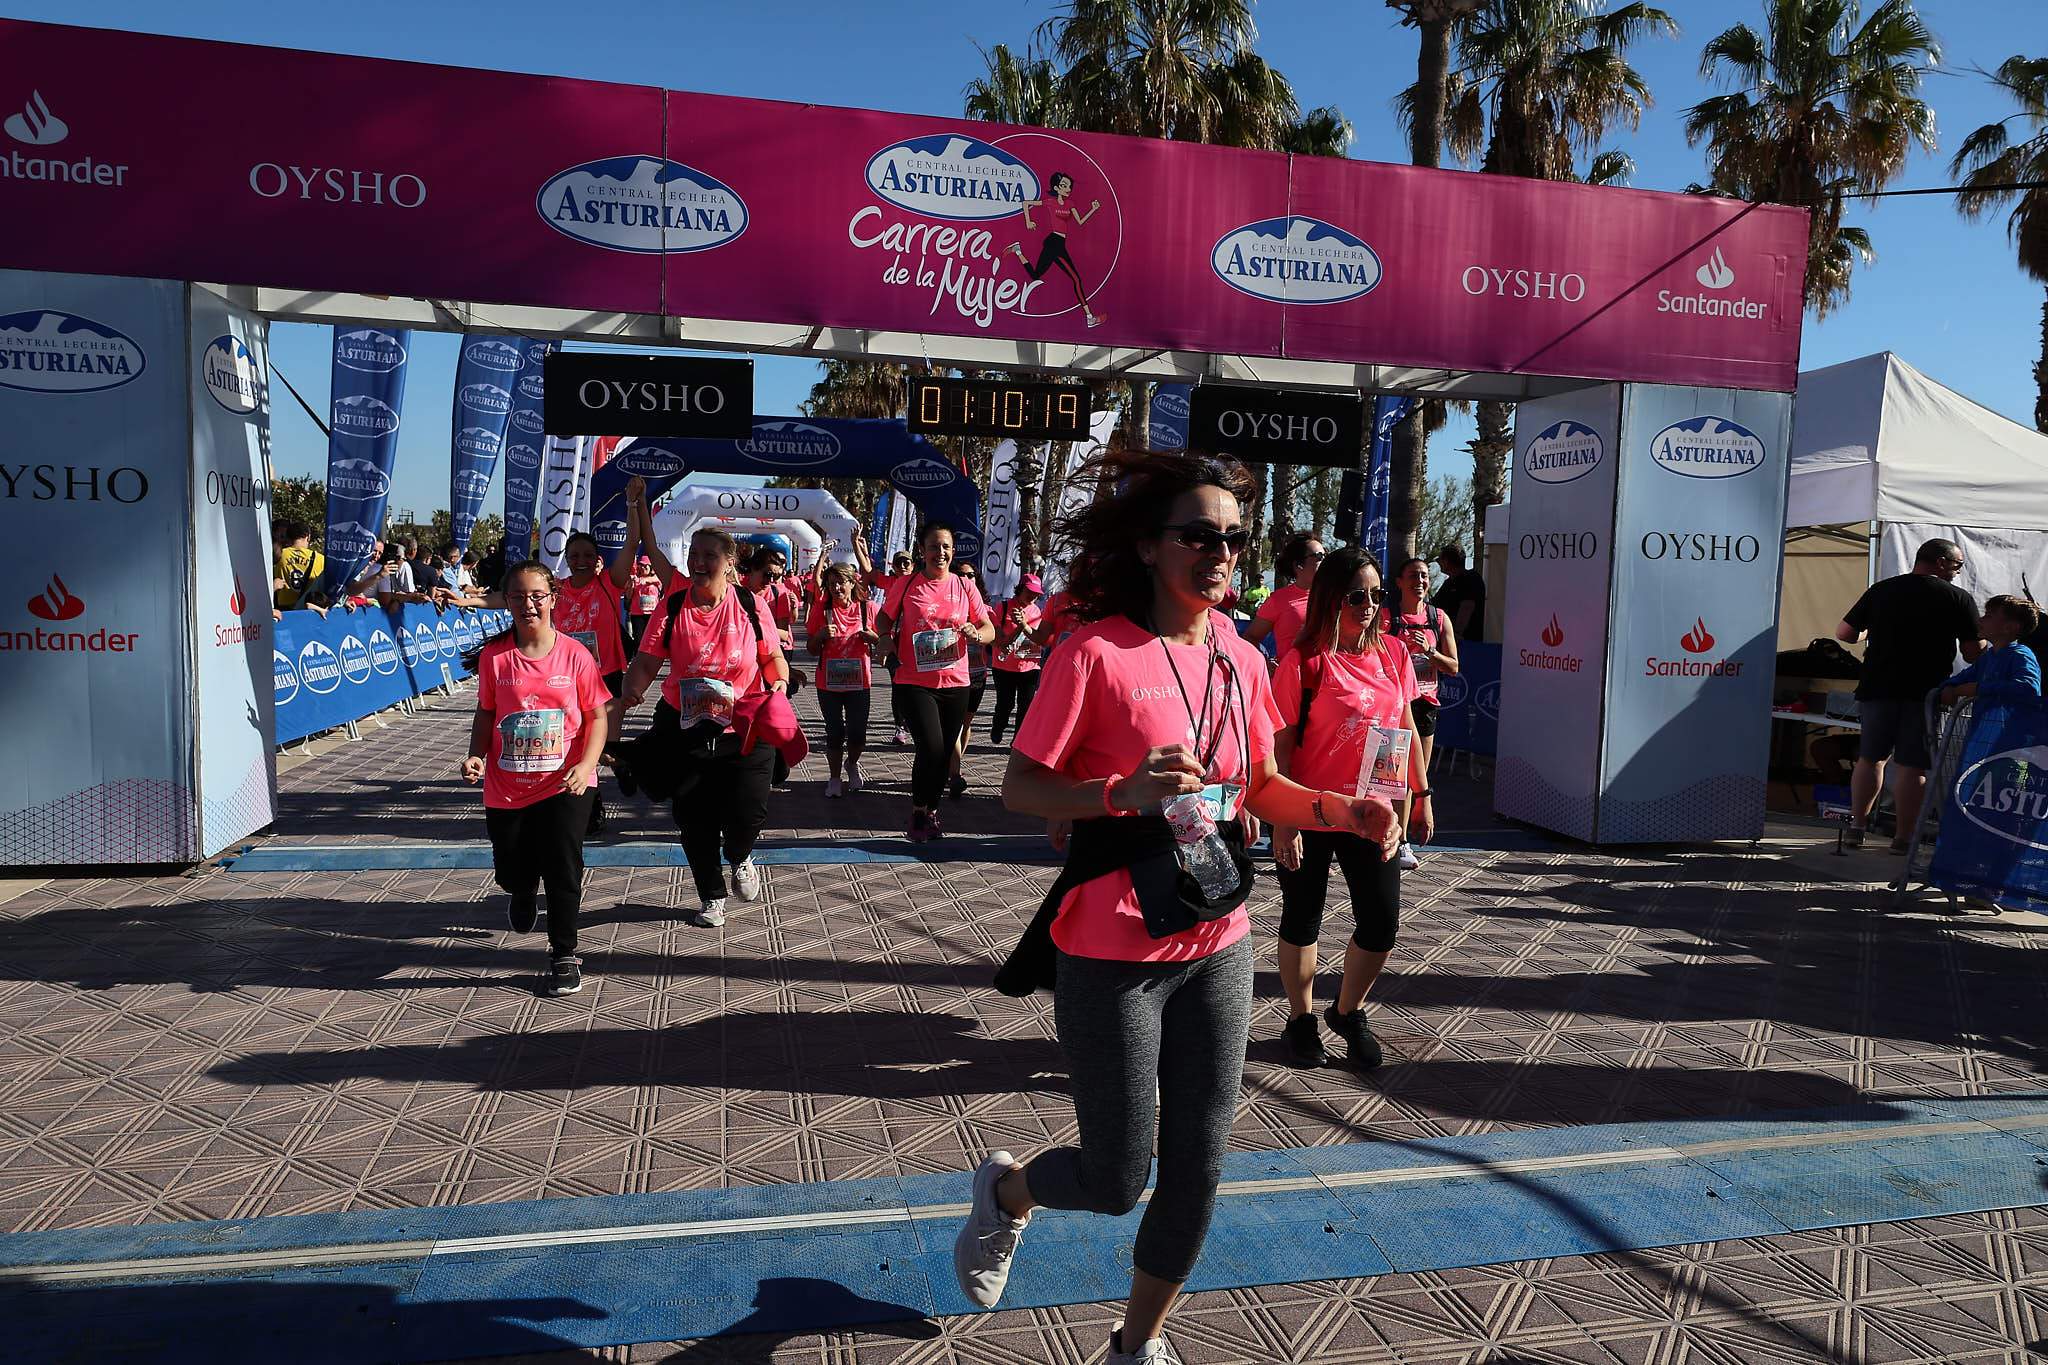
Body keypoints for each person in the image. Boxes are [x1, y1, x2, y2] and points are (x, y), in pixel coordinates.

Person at [955, 449, 1401, 1365]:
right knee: (1120, 1176)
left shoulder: (1243, 654)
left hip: (1221, 937)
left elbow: (1265, 785)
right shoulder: (1096, 652)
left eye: (1233, 538)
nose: (1220, 552)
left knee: (1198, 1171)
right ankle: (1007, 1195)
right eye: (1200, 535)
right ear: (1153, 547)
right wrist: (1121, 791)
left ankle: (1134, 1346)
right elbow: (1020, 788)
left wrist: (1342, 810)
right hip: (1113, 949)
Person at [1270, 547, 1431, 1069]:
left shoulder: (1392, 654)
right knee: (1303, 918)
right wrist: (1284, 820)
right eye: (1355, 595)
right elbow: (1281, 747)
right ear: (1329, 598)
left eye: (1376, 595)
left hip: (1375, 812)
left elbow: (1405, 725)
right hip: (1312, 809)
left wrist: (1421, 795)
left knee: (1382, 922)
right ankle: (1301, 1018)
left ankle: (1347, 1010)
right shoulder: (1304, 662)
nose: (1368, 605)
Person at [615, 522, 787, 928]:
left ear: (730, 563)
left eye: (710, 555)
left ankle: (741, 855)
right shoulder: (674, 605)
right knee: (693, 818)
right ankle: (711, 896)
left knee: (749, 811)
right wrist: (632, 689)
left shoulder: (749, 604)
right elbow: (646, 659)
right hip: (685, 725)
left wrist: (778, 680)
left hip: (744, 724)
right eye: (694, 554)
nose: (698, 561)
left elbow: (771, 656)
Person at [461, 560, 611, 997]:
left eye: (537, 596)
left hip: (566, 782)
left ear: (552, 599)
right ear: (506, 601)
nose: (528, 604)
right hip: (508, 786)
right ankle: (522, 891)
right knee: (511, 867)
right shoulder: (495, 657)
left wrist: (586, 766)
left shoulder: (575, 655)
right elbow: (487, 711)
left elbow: (597, 717)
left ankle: (564, 953)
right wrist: (476, 755)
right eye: (518, 596)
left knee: (564, 868)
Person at [1836, 538, 1983, 851]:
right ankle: (1903, 838)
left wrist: (1869, 630)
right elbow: (1972, 654)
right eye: (1957, 565)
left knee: (1871, 759)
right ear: (1941, 562)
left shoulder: (1882, 589)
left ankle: (1857, 827)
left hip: (1878, 686)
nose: (1958, 572)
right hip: (1925, 692)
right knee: (1911, 766)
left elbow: (1845, 633)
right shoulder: (1958, 598)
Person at [877, 523, 993, 841]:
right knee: (930, 746)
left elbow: (988, 628)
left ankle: (931, 811)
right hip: (913, 680)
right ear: (922, 550)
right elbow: (884, 616)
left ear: (953, 551)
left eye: (945, 546)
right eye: (933, 546)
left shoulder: (964, 586)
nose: (939, 552)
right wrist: (885, 637)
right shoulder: (907, 583)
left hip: (956, 682)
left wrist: (977, 634)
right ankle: (917, 811)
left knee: (943, 755)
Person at [1386, 557, 1458, 872]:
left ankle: (1403, 841)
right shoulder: (1387, 617)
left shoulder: (1438, 618)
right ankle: (1392, 837)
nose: (1420, 581)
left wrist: (1429, 652)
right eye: (1413, 575)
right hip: (1394, 702)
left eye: (1425, 576)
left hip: (1425, 703)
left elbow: (1453, 667)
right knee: (1392, 776)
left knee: (1417, 776)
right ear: (1400, 582)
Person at [808, 553, 882, 798]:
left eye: (841, 582)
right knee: (835, 731)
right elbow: (810, 647)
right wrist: (820, 636)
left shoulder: (868, 608)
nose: (836, 588)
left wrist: (873, 637)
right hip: (828, 683)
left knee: (858, 733)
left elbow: (884, 643)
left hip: (859, 682)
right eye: (831, 584)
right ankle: (834, 778)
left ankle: (852, 762)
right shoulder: (822, 610)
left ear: (852, 583)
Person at [1003, 171, 1106, 329]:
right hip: (1054, 243)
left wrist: (1093, 209)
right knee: (1076, 279)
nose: (1067, 189)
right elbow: (1025, 203)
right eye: (1064, 186)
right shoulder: (1050, 202)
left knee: (1035, 275)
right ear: (1057, 188)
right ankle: (1089, 317)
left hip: (1059, 244)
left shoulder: (1070, 204)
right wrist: (1028, 221)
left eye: (1069, 186)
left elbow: (1080, 221)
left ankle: (1017, 250)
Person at [1940, 595, 2042, 708]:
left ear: (2009, 627)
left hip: (2014, 725)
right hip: (1984, 725)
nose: (1980, 620)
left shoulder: (2021, 656)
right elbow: (1962, 677)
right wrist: (1949, 686)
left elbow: (2028, 688)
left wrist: (1979, 688)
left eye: (1988, 616)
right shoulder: (1987, 658)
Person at [1243, 533, 1324, 660]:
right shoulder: (1278, 600)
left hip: (1329, 677)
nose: (1324, 561)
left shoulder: (1334, 597)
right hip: (1291, 677)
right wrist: (1266, 663)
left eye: (1326, 555)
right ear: (1299, 565)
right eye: (1319, 556)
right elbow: (1250, 638)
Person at [949, 561, 991, 801]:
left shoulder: (985, 610)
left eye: (971, 575)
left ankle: (956, 761)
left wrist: (977, 633)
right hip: (953, 676)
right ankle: (955, 773)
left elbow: (995, 638)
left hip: (977, 675)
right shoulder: (948, 606)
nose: (966, 579)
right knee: (954, 725)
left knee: (965, 724)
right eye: (962, 575)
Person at [867, 549, 917, 747]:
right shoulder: (890, 583)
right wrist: (858, 546)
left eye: (907, 563)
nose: (903, 566)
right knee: (898, 686)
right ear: (893, 567)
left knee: (916, 687)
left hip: (917, 644)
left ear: (913, 565)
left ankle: (915, 721)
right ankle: (900, 727)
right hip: (894, 643)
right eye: (899, 564)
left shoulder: (921, 583)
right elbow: (869, 571)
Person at [989, 573, 1046, 746]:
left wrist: (1025, 626)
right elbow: (998, 640)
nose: (1033, 596)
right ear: (1020, 589)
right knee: (1006, 705)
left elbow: (1039, 638)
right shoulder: (1003, 607)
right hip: (1004, 667)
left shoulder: (1037, 611)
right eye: (1030, 592)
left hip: (1029, 667)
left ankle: (1018, 741)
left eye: (1037, 594)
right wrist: (1018, 627)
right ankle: (998, 726)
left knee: (1025, 706)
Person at [1430, 543, 1486, 642]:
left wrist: (1456, 633)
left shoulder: (1470, 578)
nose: (1439, 563)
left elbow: (1467, 606)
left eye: (1440, 560)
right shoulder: (1448, 583)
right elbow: (1434, 607)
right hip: (1449, 637)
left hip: (1467, 640)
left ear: (1446, 561)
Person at [272, 521, 325, 611]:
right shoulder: (320, 559)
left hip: (284, 610)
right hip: (308, 610)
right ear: (308, 537)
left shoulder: (280, 555)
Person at [625, 554, 662, 654]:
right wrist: (631, 586)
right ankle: (638, 659)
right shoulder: (635, 579)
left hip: (652, 614)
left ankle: (651, 657)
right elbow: (628, 596)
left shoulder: (656, 578)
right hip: (637, 614)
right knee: (638, 639)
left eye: (645, 566)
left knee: (651, 639)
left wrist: (641, 580)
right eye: (641, 565)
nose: (643, 568)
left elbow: (654, 580)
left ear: (651, 567)